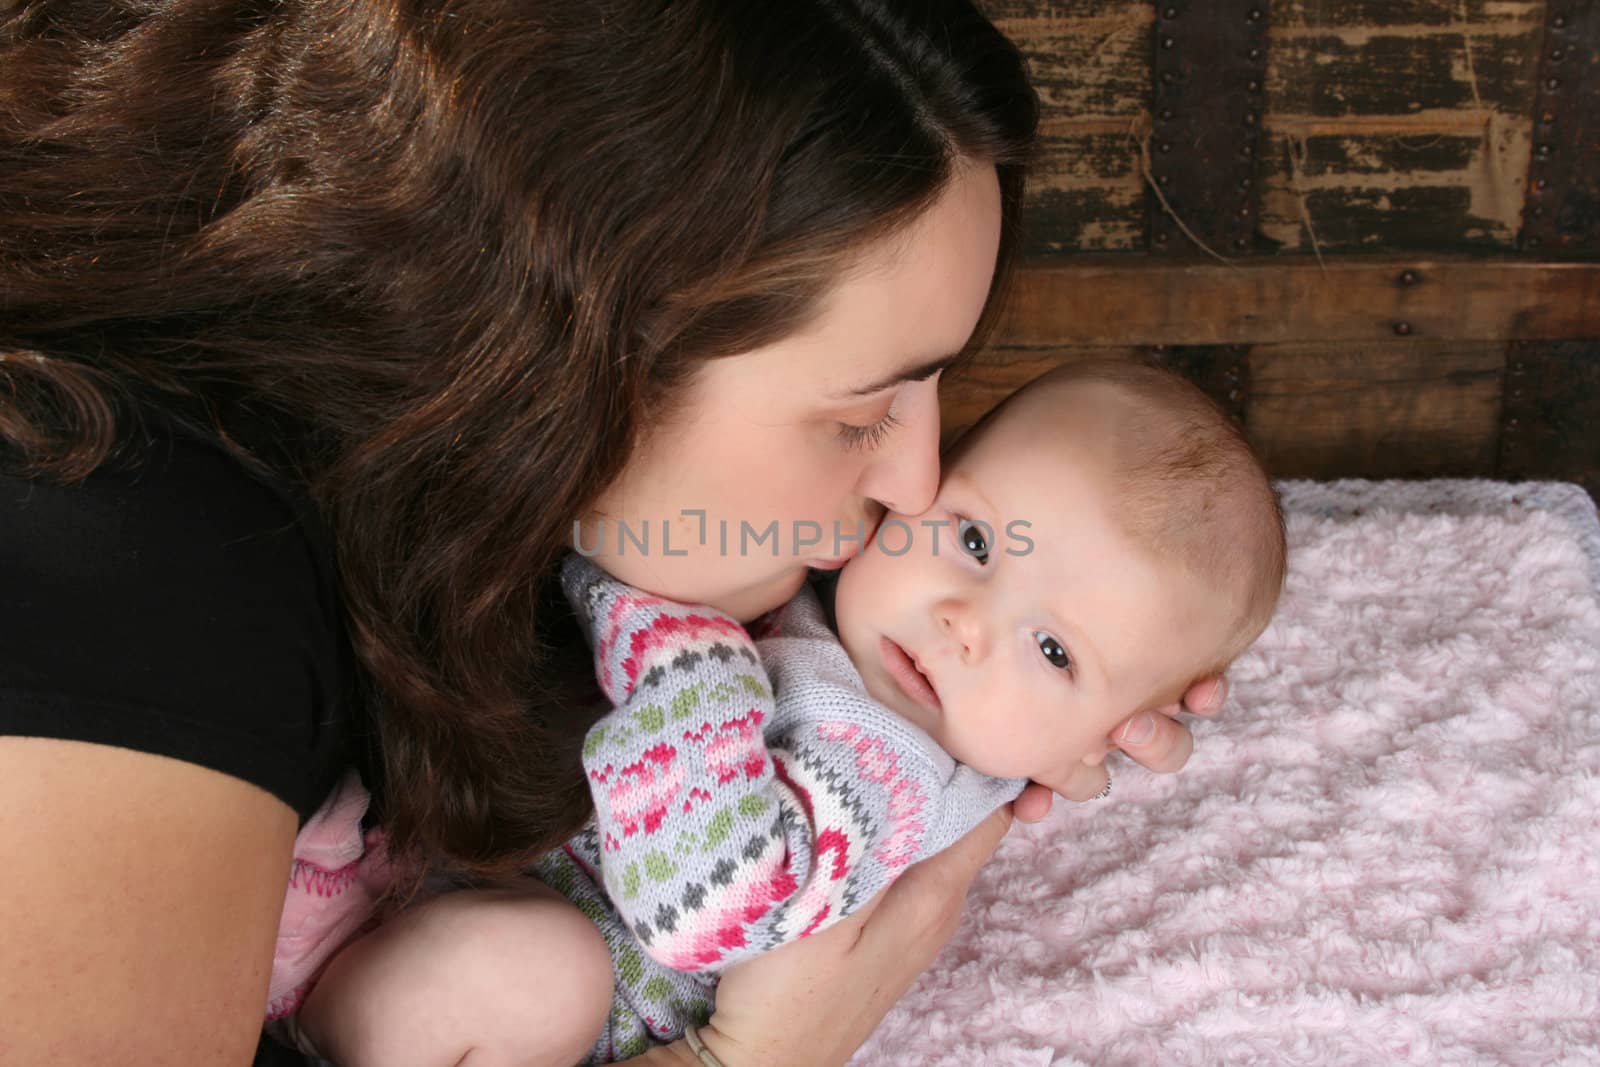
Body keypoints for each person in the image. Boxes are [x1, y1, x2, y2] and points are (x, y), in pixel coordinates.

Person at [0, 4, 1227, 1065]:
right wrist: (745, 1052)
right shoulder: (134, 574)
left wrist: (1037, 677)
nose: (919, 484)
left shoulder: (462, 506)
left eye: (940, 390)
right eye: (863, 413)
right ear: (564, 363)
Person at [282, 359, 1282, 1065]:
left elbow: (709, 898)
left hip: (545, 990)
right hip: (439, 867)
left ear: (1104, 735)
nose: (965, 624)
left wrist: (685, 639)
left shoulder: (887, 766)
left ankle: (305, 1018)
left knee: (535, 973)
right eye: (976, 541)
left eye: (1055, 651)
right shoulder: (835, 595)